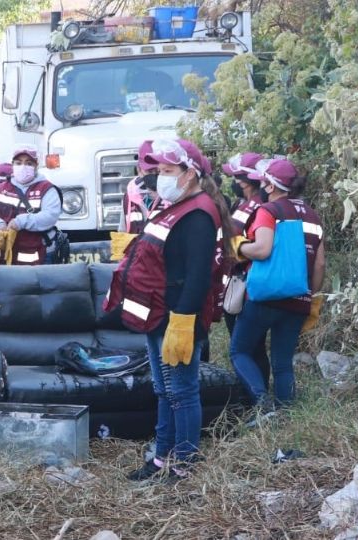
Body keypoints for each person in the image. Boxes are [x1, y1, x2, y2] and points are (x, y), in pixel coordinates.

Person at [103, 139, 234, 481]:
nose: (159, 177)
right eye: (158, 170)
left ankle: (184, 464)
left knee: (182, 392)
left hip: (177, 317)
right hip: (157, 314)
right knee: (164, 390)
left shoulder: (199, 213)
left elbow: (197, 275)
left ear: (190, 174)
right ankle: (162, 456)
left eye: (167, 171)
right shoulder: (175, 205)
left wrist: (183, 321)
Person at [230, 158, 326, 412]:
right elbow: (319, 265)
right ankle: (285, 415)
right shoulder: (313, 216)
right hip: (299, 299)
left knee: (239, 351)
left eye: (263, 181)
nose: (260, 185)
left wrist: (237, 247)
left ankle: (262, 402)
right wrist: (311, 297)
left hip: (265, 297)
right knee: (283, 363)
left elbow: (261, 250)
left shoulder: (269, 210)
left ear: (271, 186)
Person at [222, 152, 270, 385]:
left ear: (246, 180)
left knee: (247, 349)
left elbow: (251, 245)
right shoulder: (245, 204)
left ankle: (256, 400)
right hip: (237, 280)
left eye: (238, 177)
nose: (235, 182)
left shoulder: (260, 207)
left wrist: (232, 248)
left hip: (247, 281)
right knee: (246, 347)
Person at [0, 145, 63, 265]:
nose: (23, 167)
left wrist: (21, 222)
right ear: (12, 165)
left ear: (36, 166)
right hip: (1, 259)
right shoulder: (1, 188)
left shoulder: (47, 189)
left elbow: (50, 216)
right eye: (18, 163)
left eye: (28, 163)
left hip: (37, 257)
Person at [119, 140, 165, 234]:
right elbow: (122, 234)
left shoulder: (174, 196)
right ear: (139, 170)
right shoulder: (130, 197)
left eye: (159, 171)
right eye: (150, 171)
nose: (155, 175)